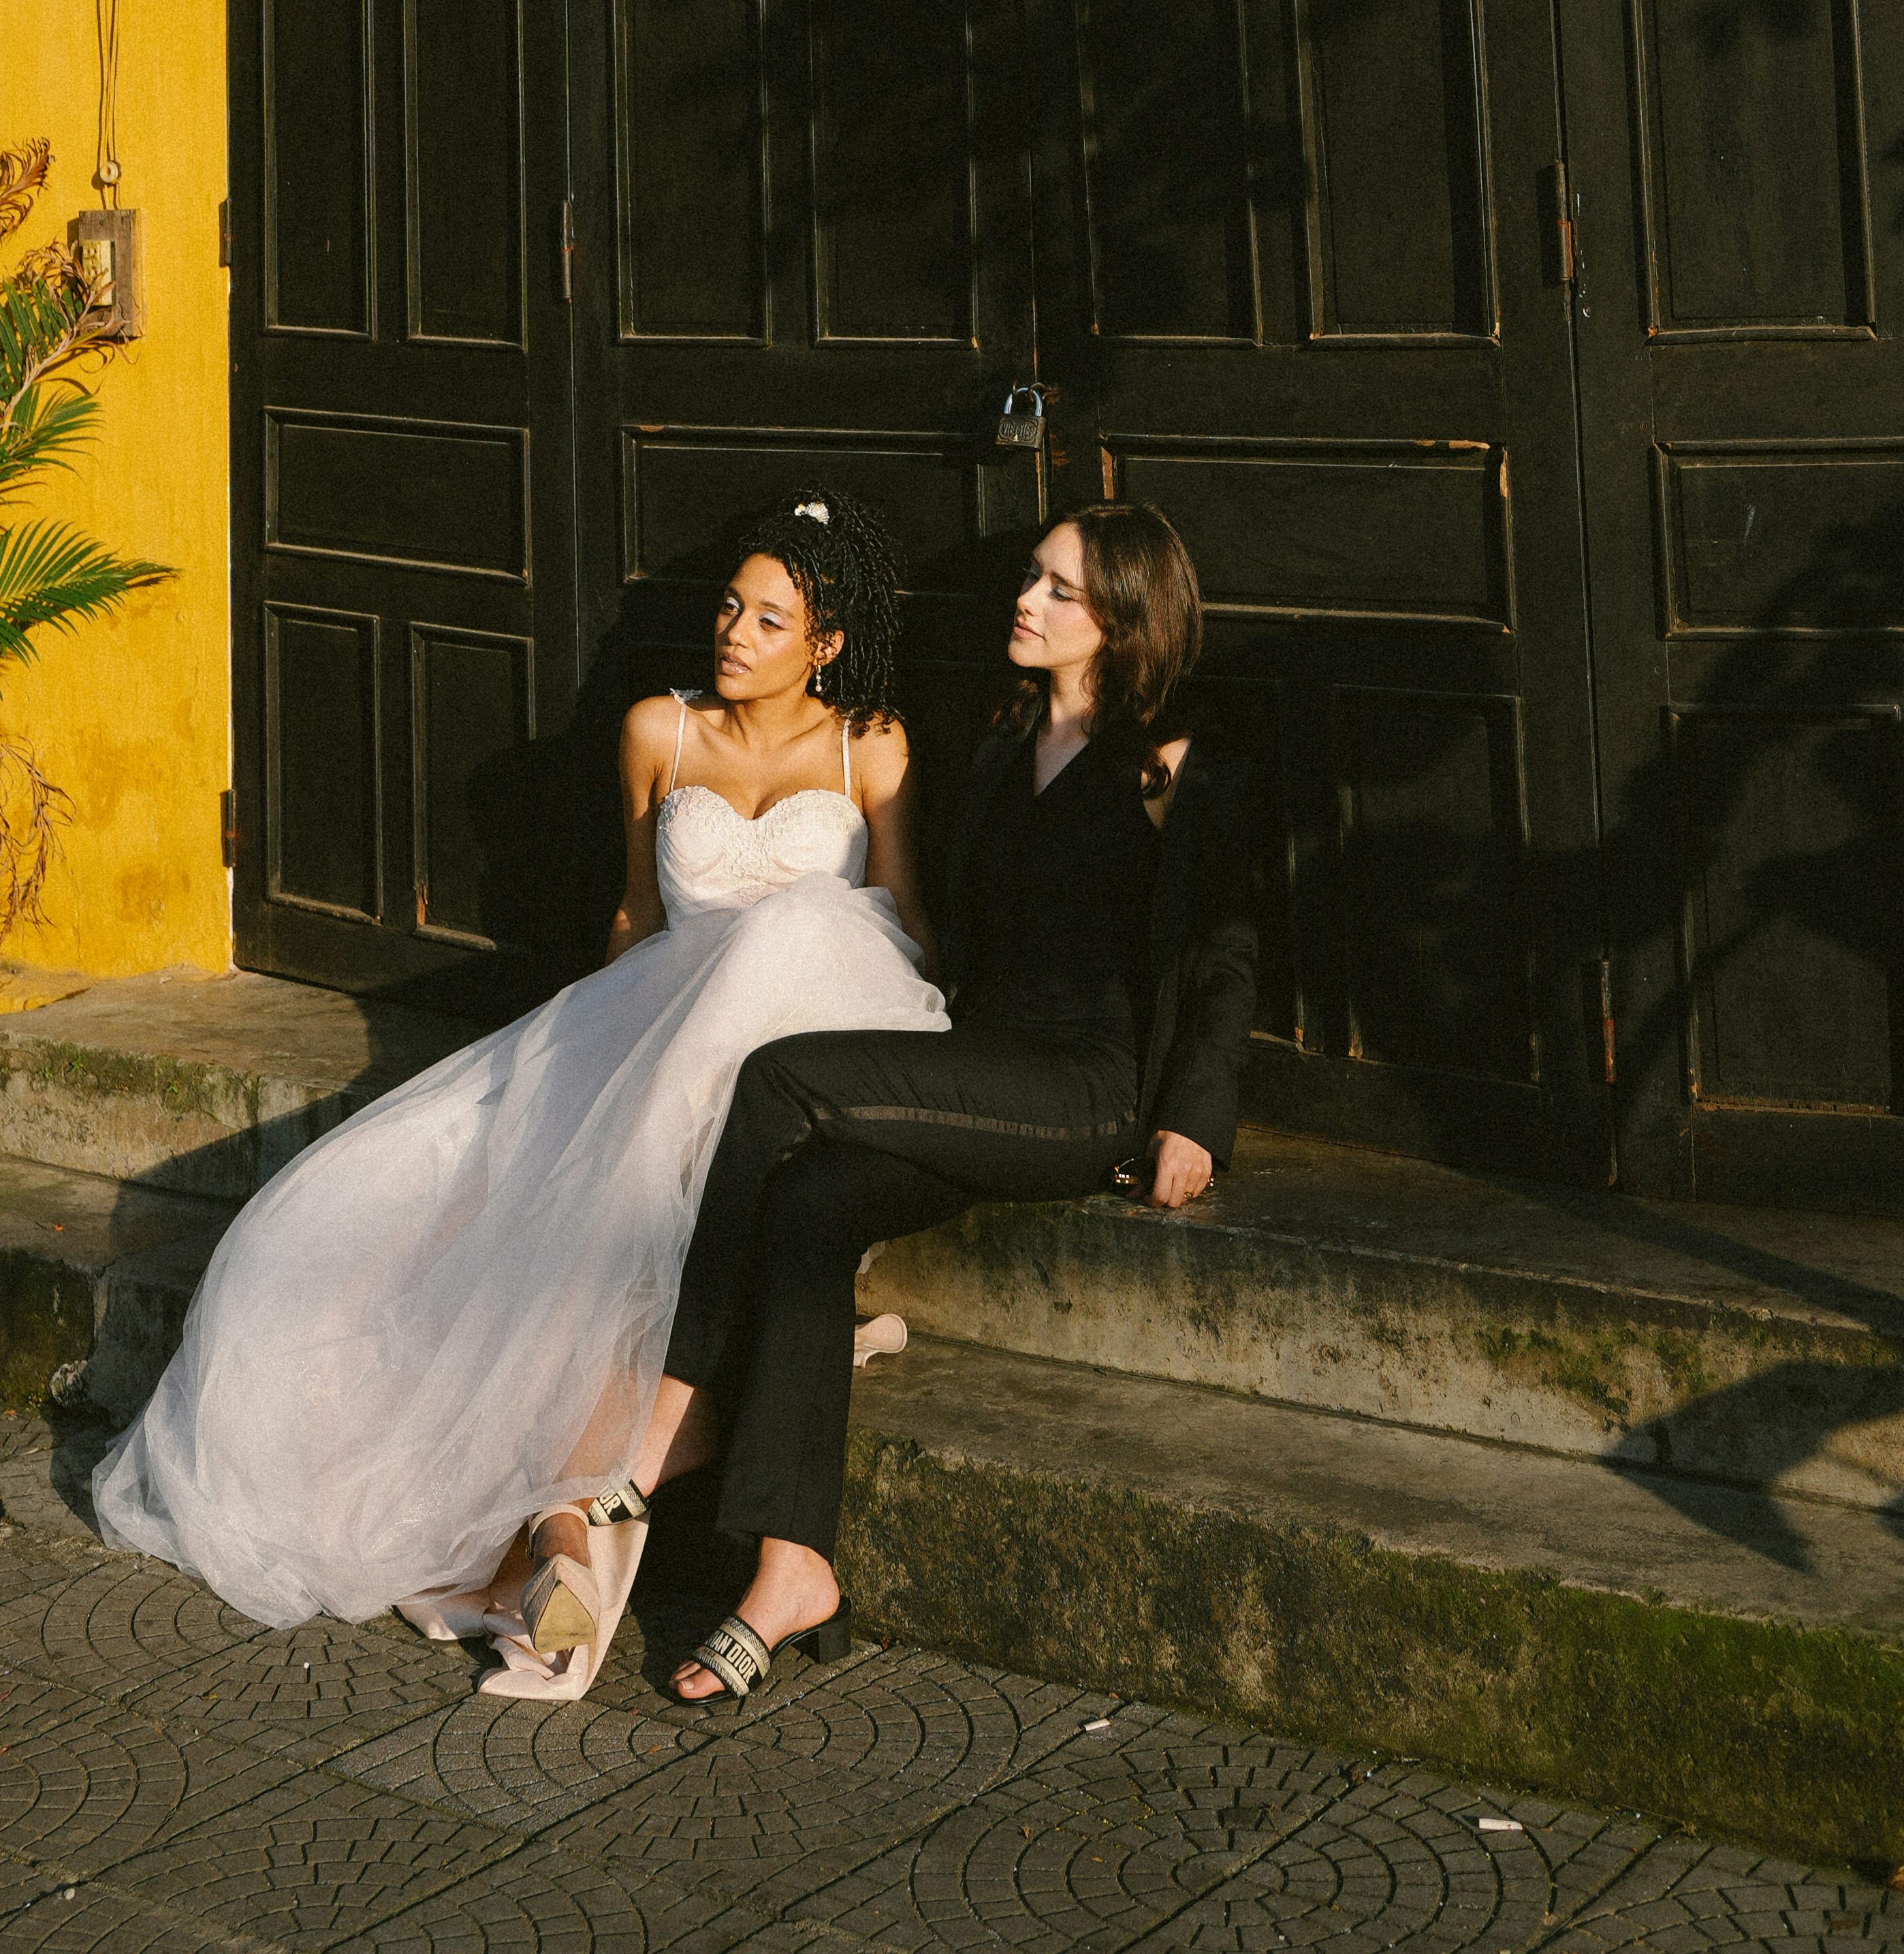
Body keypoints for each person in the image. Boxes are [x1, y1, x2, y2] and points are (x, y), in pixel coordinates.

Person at [89, 486, 942, 1692]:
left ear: (829, 642)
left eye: (767, 619)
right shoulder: (661, 730)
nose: (734, 634)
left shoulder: (872, 746)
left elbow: (903, 924)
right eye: (728, 609)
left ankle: (566, 1530)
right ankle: (554, 1532)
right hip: (659, 1034)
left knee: (792, 945)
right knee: (488, 1217)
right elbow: (639, 915)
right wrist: (579, 1062)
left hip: (802, 1046)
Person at [630, 501, 1257, 1705]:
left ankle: (675, 1414)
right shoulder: (998, 741)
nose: (1027, 600)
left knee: (780, 1077)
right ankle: (791, 1568)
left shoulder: (1168, 766)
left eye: (1061, 590)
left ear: (1125, 618)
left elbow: (1226, 947)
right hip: (977, 1063)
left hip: (1086, 1090)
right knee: (811, 1202)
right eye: (1031, 578)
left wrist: (1196, 1116)